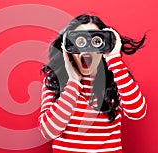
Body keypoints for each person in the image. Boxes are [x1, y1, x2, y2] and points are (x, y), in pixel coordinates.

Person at [38, 14, 147, 153]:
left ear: (104, 47)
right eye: (80, 41)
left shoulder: (116, 80)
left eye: (95, 41)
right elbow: (49, 131)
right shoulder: (54, 81)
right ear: (68, 47)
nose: (87, 49)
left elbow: (137, 112)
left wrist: (114, 59)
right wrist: (73, 83)